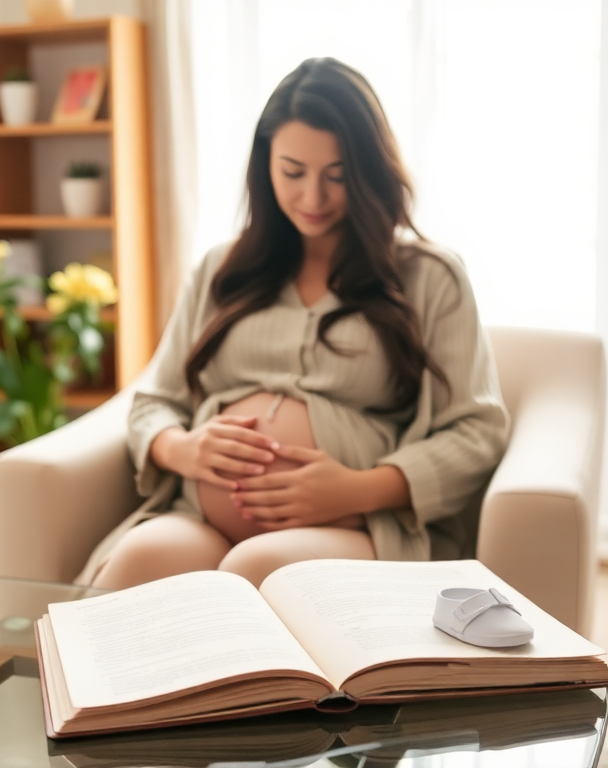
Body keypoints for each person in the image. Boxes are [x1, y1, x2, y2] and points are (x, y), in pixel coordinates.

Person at [80, 57, 509, 590]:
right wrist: (180, 448)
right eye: (293, 172)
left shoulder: (430, 277)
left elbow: (477, 429)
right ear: (265, 165)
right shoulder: (221, 269)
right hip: (203, 515)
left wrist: (359, 488)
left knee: (256, 571)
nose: (313, 197)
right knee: (137, 561)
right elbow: (154, 401)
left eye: (337, 175)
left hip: (355, 522)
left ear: (370, 170)